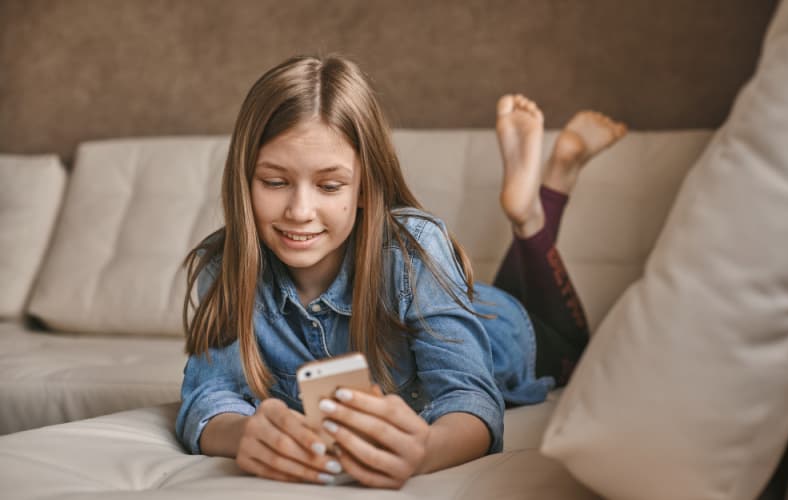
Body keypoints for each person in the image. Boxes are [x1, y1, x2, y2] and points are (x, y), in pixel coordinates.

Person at [176, 55, 626, 489]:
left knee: (573, 348)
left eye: (330, 186)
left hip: (504, 329)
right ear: (244, 178)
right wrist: (241, 434)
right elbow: (209, 397)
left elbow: (468, 397)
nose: (299, 211)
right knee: (477, 293)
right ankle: (529, 208)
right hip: (452, 294)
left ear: (366, 188)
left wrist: (426, 450)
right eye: (274, 182)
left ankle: (541, 202)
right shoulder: (226, 263)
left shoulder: (413, 249)